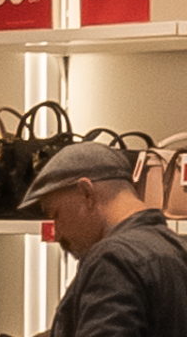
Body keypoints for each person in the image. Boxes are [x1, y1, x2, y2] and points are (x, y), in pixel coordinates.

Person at [17, 141, 187, 337]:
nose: (57, 233)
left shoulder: (113, 259)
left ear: (86, 193)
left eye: (55, 215)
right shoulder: (176, 248)